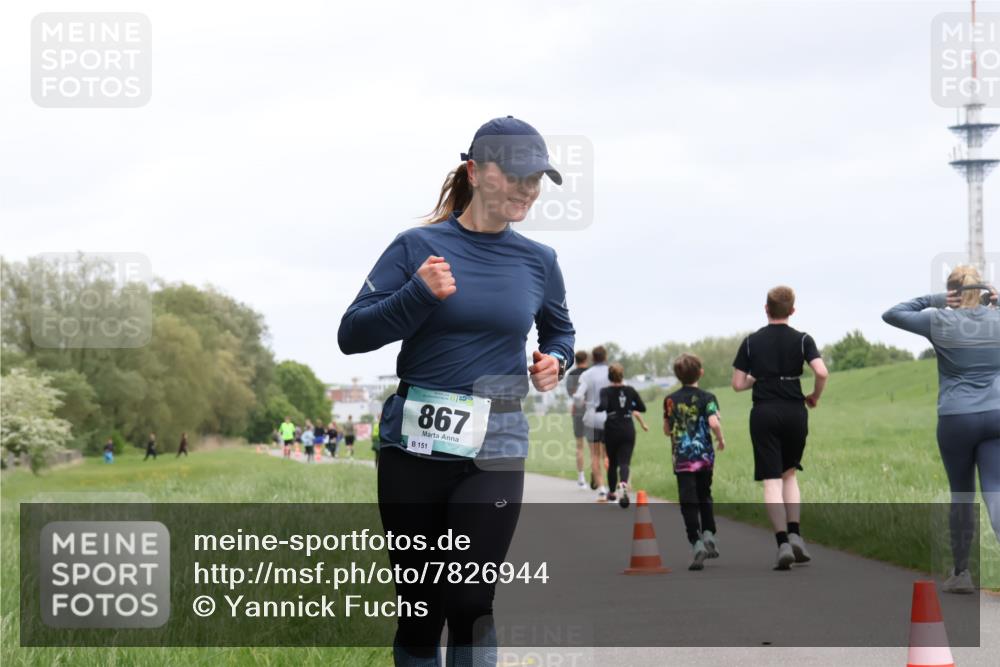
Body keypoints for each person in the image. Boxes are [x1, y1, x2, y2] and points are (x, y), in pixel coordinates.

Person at [338, 116, 574, 666]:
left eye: (537, 178)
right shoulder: (416, 247)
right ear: (474, 171)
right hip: (413, 448)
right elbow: (352, 334)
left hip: (496, 447)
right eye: (516, 174)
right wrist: (417, 295)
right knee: (421, 610)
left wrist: (554, 361)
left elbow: (560, 331)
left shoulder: (539, 262)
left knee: (471, 601)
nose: (528, 188)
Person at [883, 266, 999, 594]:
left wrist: (936, 300)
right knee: (996, 490)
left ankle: (961, 573)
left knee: (961, 494)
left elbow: (892, 314)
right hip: (996, 415)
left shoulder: (939, 320)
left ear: (952, 293)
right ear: (983, 291)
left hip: (956, 417)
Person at [731, 285, 828, 571]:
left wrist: (755, 378)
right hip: (794, 411)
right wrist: (814, 396)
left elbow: (737, 384)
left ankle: (782, 542)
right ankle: (796, 533)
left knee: (771, 480)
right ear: (792, 311)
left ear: (766, 309)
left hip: (763, 412)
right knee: (789, 475)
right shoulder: (803, 339)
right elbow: (821, 371)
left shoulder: (750, 342)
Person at [665, 354, 726, 570]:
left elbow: (666, 430)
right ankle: (709, 532)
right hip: (704, 457)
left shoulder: (670, 400)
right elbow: (713, 421)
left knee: (688, 500)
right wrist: (720, 438)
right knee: (704, 495)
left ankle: (696, 542)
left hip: (681, 458)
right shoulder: (708, 397)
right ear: (700, 372)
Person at [596, 363, 647, 508]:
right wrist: (629, 406)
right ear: (622, 376)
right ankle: (623, 483)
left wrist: (596, 407)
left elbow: (603, 406)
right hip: (627, 428)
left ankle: (612, 493)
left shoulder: (605, 391)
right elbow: (642, 407)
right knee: (624, 462)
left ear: (609, 377)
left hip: (612, 428)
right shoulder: (630, 390)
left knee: (612, 463)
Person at [573, 345, 611, 500]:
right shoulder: (612, 371)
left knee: (594, 455)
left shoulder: (587, 375)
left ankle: (601, 488)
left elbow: (577, 396)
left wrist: (582, 404)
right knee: (608, 455)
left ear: (593, 358)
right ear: (605, 357)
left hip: (592, 418)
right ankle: (613, 486)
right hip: (609, 417)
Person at [565, 350, 590, 489]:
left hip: (578, 413)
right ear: (586, 359)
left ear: (575, 360)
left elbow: (571, 393)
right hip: (592, 412)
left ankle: (581, 477)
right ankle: (596, 475)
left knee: (579, 446)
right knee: (595, 446)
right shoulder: (591, 373)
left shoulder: (572, 374)